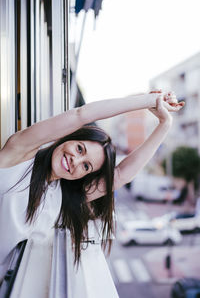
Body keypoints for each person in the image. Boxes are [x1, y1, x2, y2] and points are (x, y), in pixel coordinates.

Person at [0, 91, 184, 275]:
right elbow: (81, 115)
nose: (76, 161)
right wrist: (149, 101)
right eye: (80, 149)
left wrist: (165, 124)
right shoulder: (19, 155)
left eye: (86, 166)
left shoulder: (57, 196)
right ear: (68, 137)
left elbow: (120, 175)